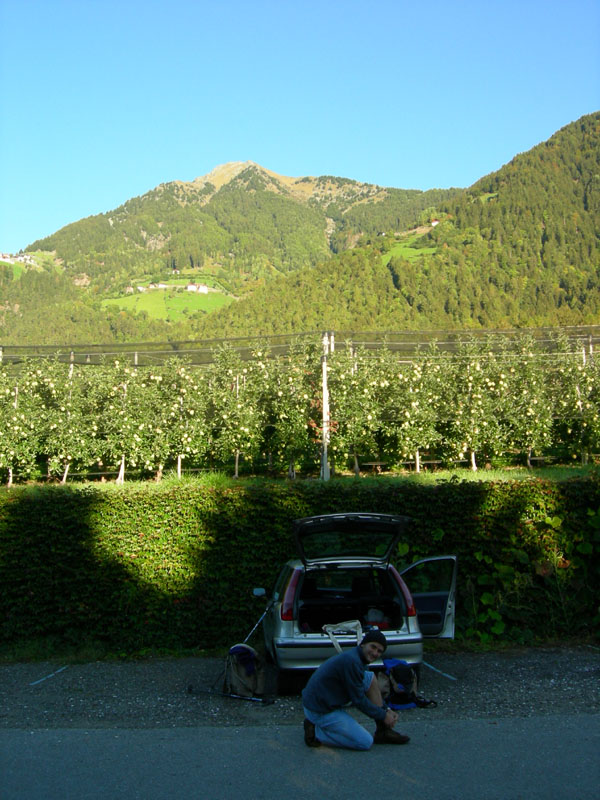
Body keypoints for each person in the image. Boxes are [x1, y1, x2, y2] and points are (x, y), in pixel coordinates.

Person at [301, 629, 410, 750]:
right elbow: (358, 700)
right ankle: (315, 730)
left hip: (327, 698)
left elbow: (362, 688)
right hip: (320, 709)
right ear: (363, 644)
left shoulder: (359, 658)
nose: (375, 653)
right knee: (365, 742)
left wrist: (386, 710)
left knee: (369, 677)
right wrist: (383, 716)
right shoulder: (352, 661)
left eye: (379, 651)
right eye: (373, 647)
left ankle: (382, 731)